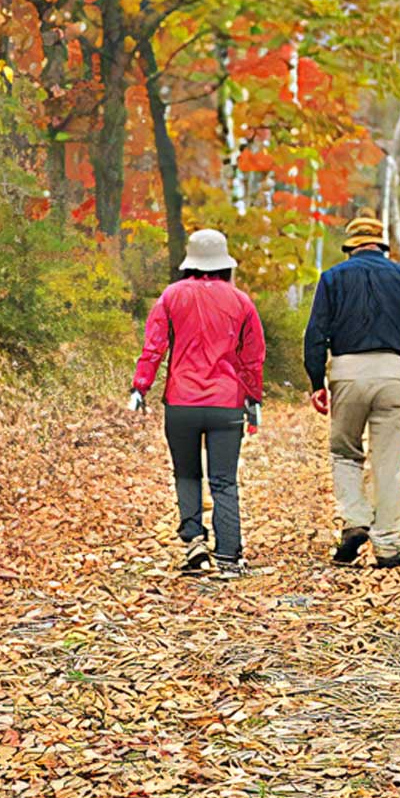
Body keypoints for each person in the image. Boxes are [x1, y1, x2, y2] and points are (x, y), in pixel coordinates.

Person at [304, 210, 400, 569]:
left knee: (344, 451)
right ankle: (388, 548)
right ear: (382, 246)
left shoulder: (333, 278)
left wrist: (316, 381)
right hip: (393, 374)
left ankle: (354, 520)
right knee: (387, 464)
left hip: (348, 372)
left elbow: (315, 334)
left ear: (350, 248)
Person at [131, 228, 266, 576]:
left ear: (190, 262)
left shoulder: (171, 296)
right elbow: (252, 358)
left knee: (187, 474)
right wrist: (253, 396)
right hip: (226, 403)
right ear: (224, 264)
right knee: (224, 480)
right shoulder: (241, 301)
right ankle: (229, 556)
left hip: (181, 402)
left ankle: (194, 542)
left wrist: (140, 387)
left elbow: (154, 347)